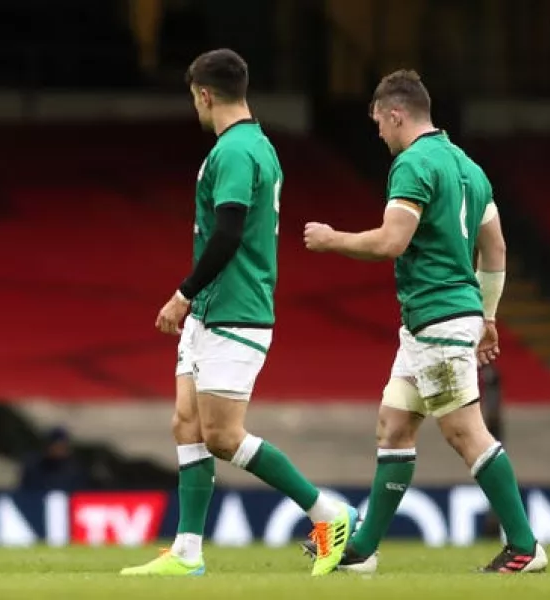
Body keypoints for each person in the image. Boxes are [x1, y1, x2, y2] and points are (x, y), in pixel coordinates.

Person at [120, 48, 355, 579]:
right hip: (213, 310)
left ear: (204, 94)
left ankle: (328, 513)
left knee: (223, 435)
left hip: (236, 308)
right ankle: (187, 550)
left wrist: (182, 293)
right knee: (186, 423)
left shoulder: (234, 151)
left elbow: (227, 231)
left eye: (193, 99)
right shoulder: (259, 146)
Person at [301, 69, 547, 574]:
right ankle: (363, 551)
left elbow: (392, 242)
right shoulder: (467, 168)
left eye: (378, 123)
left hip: (437, 317)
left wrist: (332, 239)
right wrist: (489, 315)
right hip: (432, 322)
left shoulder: (412, 164)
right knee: (393, 428)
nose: (378, 134)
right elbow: (495, 248)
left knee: (466, 434)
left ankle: (524, 546)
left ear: (396, 113)